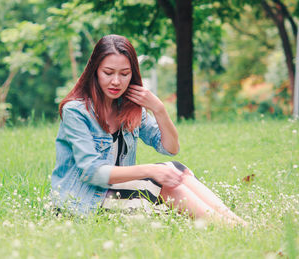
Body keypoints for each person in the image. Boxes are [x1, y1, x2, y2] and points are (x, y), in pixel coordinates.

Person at [51, 34, 246, 225]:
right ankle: (229, 227)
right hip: (84, 200)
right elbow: (92, 172)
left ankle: (234, 221)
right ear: (94, 72)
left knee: (177, 169)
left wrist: (159, 109)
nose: (116, 81)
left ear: (132, 74)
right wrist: (150, 171)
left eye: (124, 74)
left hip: (115, 192)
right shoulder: (76, 111)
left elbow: (170, 148)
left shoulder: (128, 107)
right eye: (108, 73)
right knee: (161, 183)